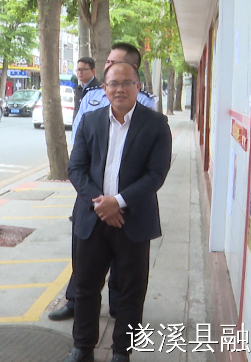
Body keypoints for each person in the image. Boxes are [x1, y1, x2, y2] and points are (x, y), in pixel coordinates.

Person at [63, 62, 172, 362]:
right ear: (104, 88)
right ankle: (82, 347)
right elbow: (76, 168)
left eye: (126, 83)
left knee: (130, 290)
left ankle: (122, 351)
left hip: (132, 220)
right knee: (85, 287)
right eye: (113, 83)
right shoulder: (90, 121)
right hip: (92, 218)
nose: (119, 89)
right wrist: (101, 203)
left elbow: (156, 175)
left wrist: (119, 201)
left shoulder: (156, 124)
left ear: (138, 87)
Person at [54, 43, 156, 322]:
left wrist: (117, 203)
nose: (108, 66)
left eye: (115, 63)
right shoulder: (92, 101)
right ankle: (76, 312)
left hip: (129, 211)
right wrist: (101, 202)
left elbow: (152, 170)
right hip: (91, 204)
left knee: (127, 285)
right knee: (84, 274)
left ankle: (119, 319)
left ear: (134, 73)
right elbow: (79, 155)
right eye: (108, 63)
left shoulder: (147, 109)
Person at [72, 57, 100, 122]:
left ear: (93, 71)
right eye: (78, 69)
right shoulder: (78, 89)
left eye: (83, 69)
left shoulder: (99, 89)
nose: (80, 72)